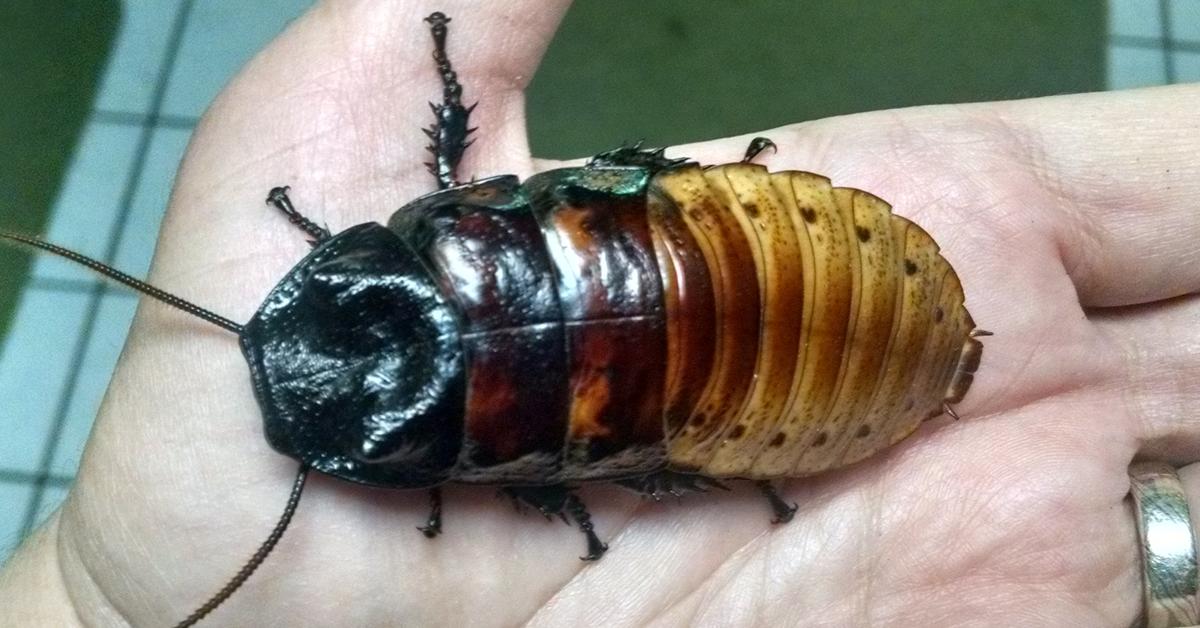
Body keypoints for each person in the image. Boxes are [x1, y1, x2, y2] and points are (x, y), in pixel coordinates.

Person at [3, 2, 1198, 626]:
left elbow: (593, 473)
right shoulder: (462, 222)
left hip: (767, 340)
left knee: (647, 447)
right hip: (742, 255)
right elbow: (532, 186)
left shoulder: (517, 459)